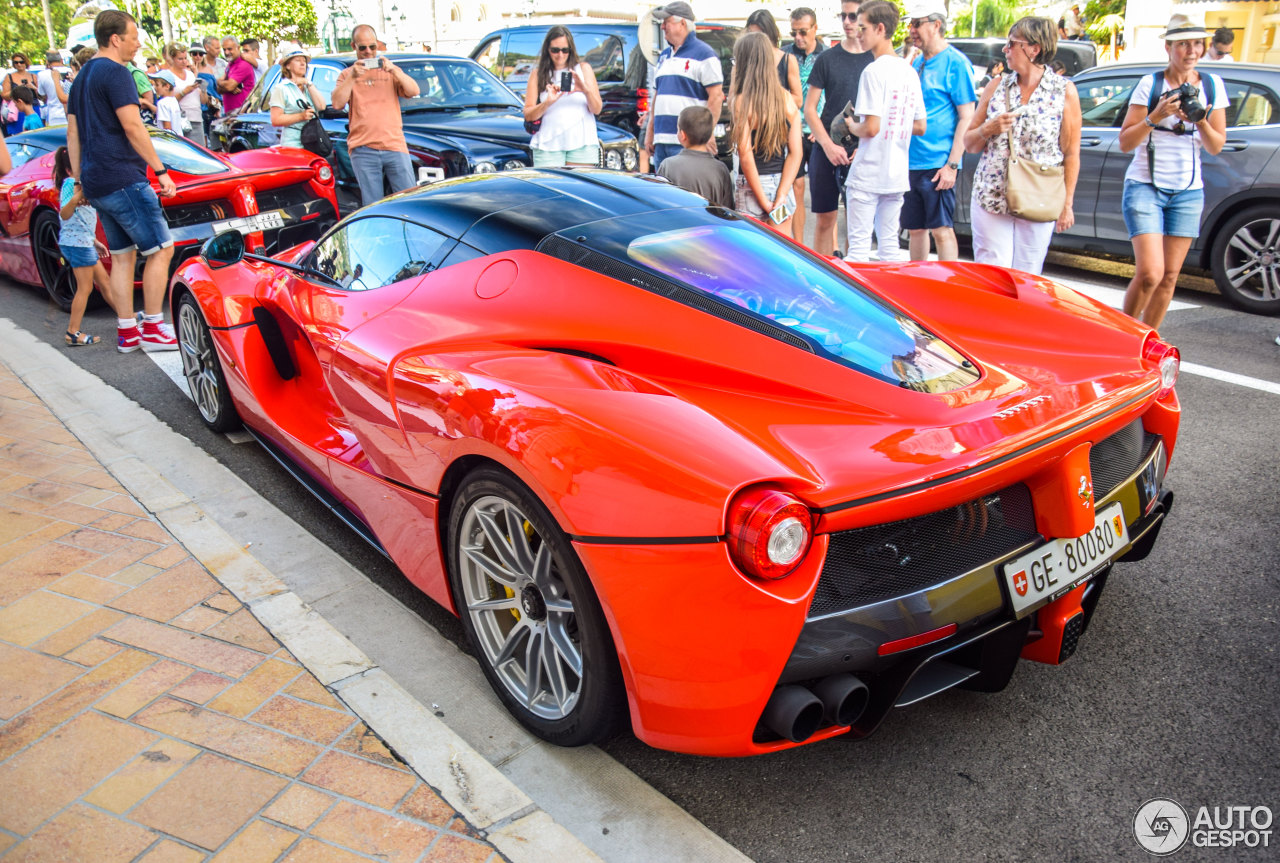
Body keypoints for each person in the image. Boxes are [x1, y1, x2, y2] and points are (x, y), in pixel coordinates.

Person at [67, 8, 179, 353]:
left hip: (96, 181)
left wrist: (79, 182)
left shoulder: (83, 76)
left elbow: (73, 133)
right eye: (133, 37)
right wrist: (160, 170)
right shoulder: (117, 73)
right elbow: (133, 126)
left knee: (122, 256)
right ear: (115, 39)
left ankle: (127, 332)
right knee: (162, 249)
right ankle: (154, 328)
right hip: (122, 177)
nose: (137, 44)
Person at [1118, 14, 1227, 330]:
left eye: (1196, 44)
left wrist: (1201, 120)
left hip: (1188, 191)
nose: (1191, 51)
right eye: (1183, 44)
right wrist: (1157, 115)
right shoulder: (1150, 84)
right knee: (1150, 272)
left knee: (1168, 277)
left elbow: (1216, 145)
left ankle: (1148, 342)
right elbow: (1126, 142)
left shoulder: (1211, 85)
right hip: (1145, 185)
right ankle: (1125, 334)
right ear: (1169, 47)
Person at [962, 17, 1080, 275]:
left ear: (1033, 49)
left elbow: (1071, 153)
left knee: (1028, 275)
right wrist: (987, 129)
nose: (1005, 50)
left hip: (1039, 194)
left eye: (1012, 44)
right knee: (992, 274)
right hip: (992, 194)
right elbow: (969, 143)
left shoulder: (1063, 91)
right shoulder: (996, 86)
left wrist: (1067, 204)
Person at [842, 0, 926, 262]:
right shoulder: (908, 71)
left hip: (869, 170)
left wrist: (851, 125)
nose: (858, 33)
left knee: (857, 251)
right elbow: (920, 126)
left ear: (880, 28)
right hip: (896, 172)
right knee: (889, 248)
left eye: (863, 28)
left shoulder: (873, 71)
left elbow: (871, 127)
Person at [904, 0, 975, 261]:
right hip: (911, 161)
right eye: (910, 24)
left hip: (937, 163)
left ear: (936, 24)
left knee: (941, 231)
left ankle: (950, 289)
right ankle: (916, 286)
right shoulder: (916, 62)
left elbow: (967, 116)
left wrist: (952, 165)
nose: (912, 29)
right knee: (915, 230)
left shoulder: (955, 62)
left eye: (917, 24)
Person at [803, 0, 871, 257]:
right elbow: (810, 109)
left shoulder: (876, 58)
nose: (847, 22)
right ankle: (822, 283)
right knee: (825, 218)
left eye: (853, 16)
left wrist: (864, 146)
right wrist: (828, 146)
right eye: (843, 15)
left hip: (863, 148)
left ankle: (856, 284)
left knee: (858, 224)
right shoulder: (827, 58)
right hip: (828, 146)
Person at [330, 25, 420, 206]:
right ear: (353, 46)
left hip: (394, 144)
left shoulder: (389, 70)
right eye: (362, 48)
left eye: (372, 47)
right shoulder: (347, 74)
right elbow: (338, 103)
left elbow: (413, 90)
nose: (368, 52)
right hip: (363, 148)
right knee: (373, 204)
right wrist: (353, 76)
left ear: (377, 45)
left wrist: (394, 70)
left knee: (410, 200)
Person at [731, 32, 802, 234]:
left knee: (752, 257)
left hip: (752, 188)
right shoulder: (787, 99)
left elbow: (745, 155)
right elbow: (796, 154)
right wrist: (781, 195)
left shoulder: (741, 102)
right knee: (783, 253)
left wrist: (763, 200)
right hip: (782, 181)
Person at [645, 1, 725, 169]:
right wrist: (650, 131)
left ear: (682, 24)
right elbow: (657, 97)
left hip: (687, 143)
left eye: (666, 22)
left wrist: (707, 133)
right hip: (662, 142)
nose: (662, 27)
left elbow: (716, 96)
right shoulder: (664, 56)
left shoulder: (704, 54)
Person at [52, 146, 111, 347]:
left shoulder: (77, 184)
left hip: (83, 242)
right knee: (85, 288)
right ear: (71, 170)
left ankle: (127, 316)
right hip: (77, 245)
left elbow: (78, 220)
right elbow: (65, 214)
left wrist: (94, 241)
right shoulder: (70, 184)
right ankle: (72, 332)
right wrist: (79, 195)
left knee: (104, 282)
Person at [523, 26, 603, 167]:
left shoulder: (583, 69)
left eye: (565, 50)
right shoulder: (538, 74)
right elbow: (528, 114)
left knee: (580, 189)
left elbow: (597, 109)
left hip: (582, 143)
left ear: (571, 50)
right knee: (549, 188)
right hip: (548, 144)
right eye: (555, 50)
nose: (560, 55)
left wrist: (585, 90)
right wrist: (547, 102)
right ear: (547, 50)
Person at [787, 7, 824, 244]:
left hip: (819, 131)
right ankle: (799, 245)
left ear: (815, 29)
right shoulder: (785, 55)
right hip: (794, 129)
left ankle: (831, 250)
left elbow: (832, 94)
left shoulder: (827, 55)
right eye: (793, 33)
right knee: (797, 188)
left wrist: (821, 126)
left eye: (803, 32)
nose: (798, 38)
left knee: (824, 194)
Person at [657, 105, 733, 207]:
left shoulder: (668, 165)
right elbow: (728, 209)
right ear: (710, 134)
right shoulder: (721, 169)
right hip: (713, 222)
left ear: (682, 135)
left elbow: (660, 203)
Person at [270, 49, 327, 148]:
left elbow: (321, 106)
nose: (302, 63)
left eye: (304, 61)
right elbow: (276, 120)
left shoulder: (308, 86)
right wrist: (301, 116)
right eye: (297, 60)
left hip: (313, 141)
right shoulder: (282, 88)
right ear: (287, 65)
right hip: (293, 143)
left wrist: (308, 83)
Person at [744, 10, 801, 107]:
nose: (756, 40)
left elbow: (798, 101)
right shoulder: (744, 60)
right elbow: (733, 98)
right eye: (751, 35)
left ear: (770, 34)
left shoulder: (787, 60)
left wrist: (771, 98)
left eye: (760, 36)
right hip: (751, 119)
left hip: (779, 119)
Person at [163, 42, 205, 146]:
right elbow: (166, 102)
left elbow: (202, 99)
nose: (184, 61)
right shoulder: (168, 75)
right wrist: (184, 92)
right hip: (180, 120)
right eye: (180, 59)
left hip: (196, 118)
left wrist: (203, 90)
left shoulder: (191, 74)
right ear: (172, 59)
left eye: (185, 58)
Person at [3, 53, 39, 136]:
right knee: (19, 135)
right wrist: (18, 89)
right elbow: (4, 95)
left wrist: (33, 88)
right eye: (16, 62)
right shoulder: (9, 77)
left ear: (26, 62)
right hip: (17, 110)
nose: (19, 64)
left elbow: (41, 96)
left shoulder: (33, 76)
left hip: (33, 108)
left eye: (21, 62)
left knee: (35, 134)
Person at [192, 42, 220, 143]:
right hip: (195, 109)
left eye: (200, 54)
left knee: (213, 141)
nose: (198, 56)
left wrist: (217, 108)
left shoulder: (208, 70)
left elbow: (215, 91)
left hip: (209, 108)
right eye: (194, 53)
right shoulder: (187, 70)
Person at [220, 38, 257, 114]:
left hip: (242, 115)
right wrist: (223, 84)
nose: (226, 52)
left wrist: (224, 84)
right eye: (224, 50)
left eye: (230, 49)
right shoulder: (230, 65)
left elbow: (229, 86)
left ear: (238, 48)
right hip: (231, 115)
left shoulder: (243, 64)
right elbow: (218, 89)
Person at [36, 50, 70, 126]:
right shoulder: (70, 71)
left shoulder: (42, 75)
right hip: (71, 114)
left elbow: (42, 94)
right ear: (61, 60)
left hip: (54, 115)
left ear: (47, 62)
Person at [149, 69, 183, 134]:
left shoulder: (162, 103)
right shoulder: (174, 100)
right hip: (179, 139)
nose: (154, 87)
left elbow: (167, 128)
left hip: (169, 141)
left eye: (157, 85)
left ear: (167, 86)